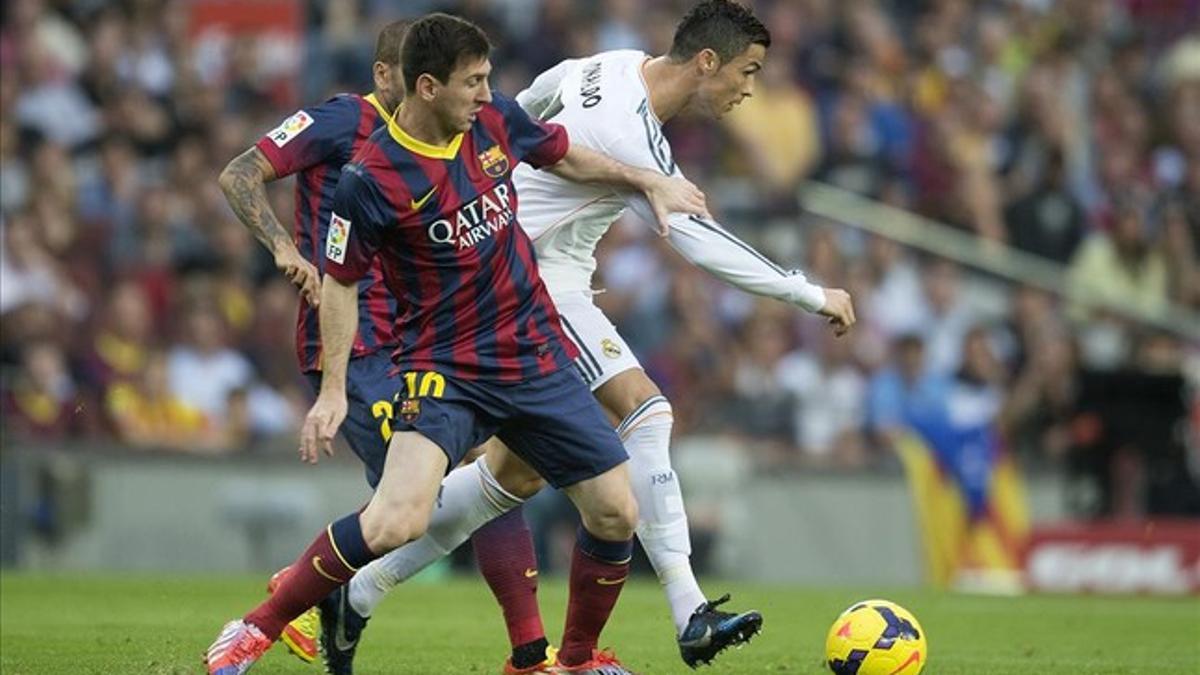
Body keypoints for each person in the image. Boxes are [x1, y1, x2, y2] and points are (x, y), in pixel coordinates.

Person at [336, 1, 856, 670]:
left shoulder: (613, 68)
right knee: (646, 408)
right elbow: (702, 245)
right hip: (530, 282)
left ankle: (357, 587)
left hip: (542, 276)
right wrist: (813, 294)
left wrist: (492, 145)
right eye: (746, 72)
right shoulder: (631, 134)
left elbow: (543, 88)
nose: (748, 89)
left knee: (510, 476)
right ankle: (688, 608)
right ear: (706, 62)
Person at [204, 12, 707, 675]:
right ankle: (256, 627)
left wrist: (646, 179)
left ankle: (572, 661)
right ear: (427, 85)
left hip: (532, 355)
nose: (485, 91)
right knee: (393, 521)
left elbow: (562, 151)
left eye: (487, 78)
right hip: (447, 369)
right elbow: (340, 284)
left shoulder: (494, 119)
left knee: (615, 509)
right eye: (472, 81)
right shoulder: (369, 178)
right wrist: (331, 390)